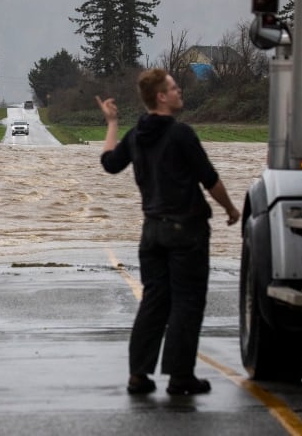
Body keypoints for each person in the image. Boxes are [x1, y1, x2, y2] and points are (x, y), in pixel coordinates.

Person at [95, 68, 240, 396]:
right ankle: (180, 377)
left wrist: (112, 124)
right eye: (174, 88)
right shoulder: (181, 134)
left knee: (154, 302)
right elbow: (209, 178)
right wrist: (230, 209)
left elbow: (109, 163)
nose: (179, 92)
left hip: (152, 233)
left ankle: (138, 375)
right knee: (187, 302)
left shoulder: (135, 135)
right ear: (161, 96)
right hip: (186, 232)